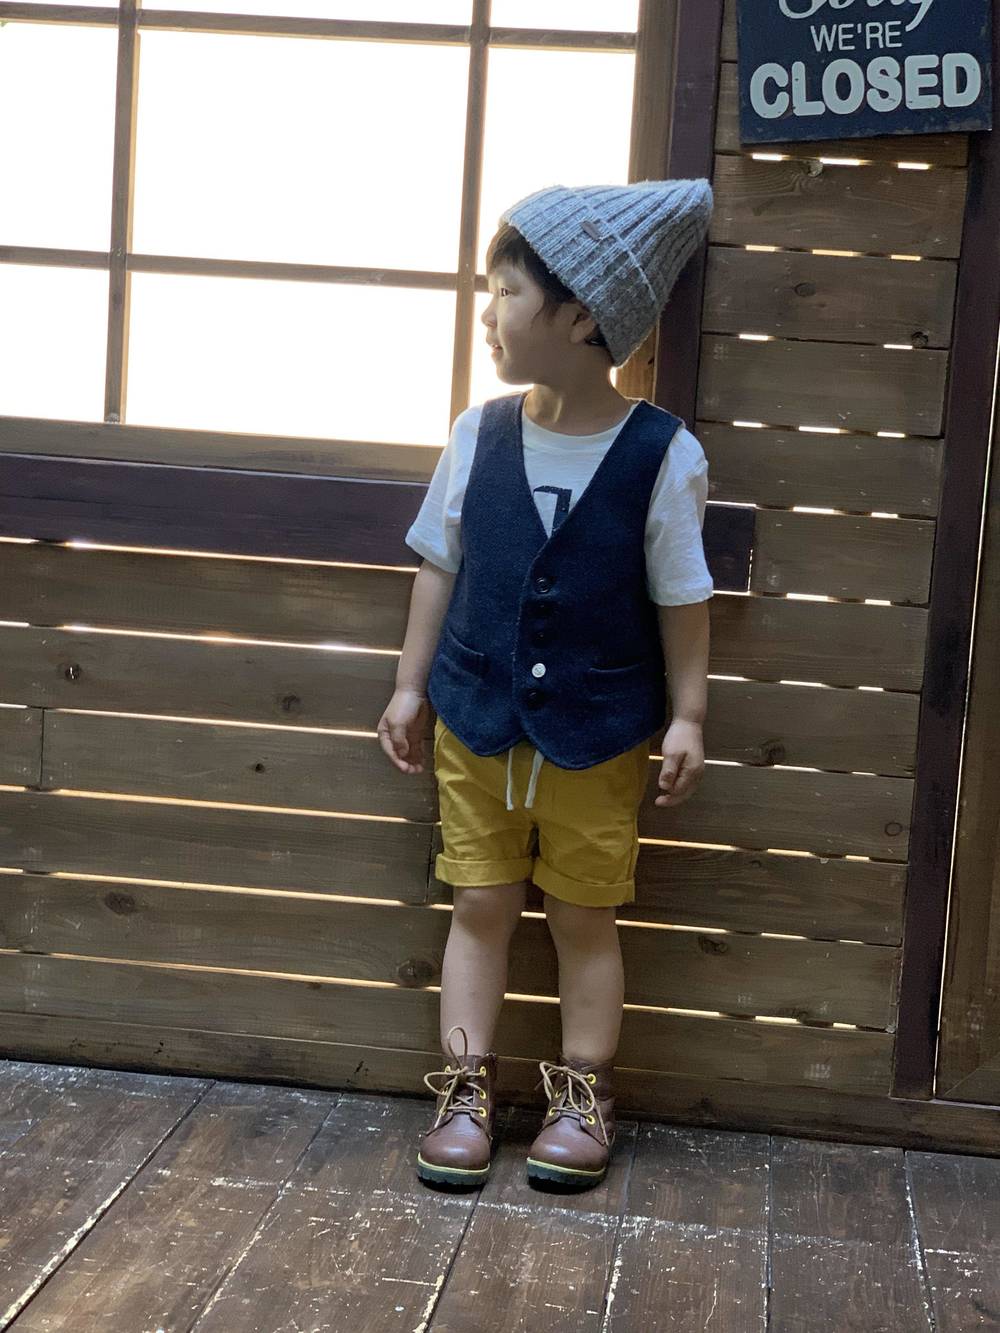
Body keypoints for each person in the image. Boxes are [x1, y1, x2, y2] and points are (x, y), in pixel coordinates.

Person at [376, 178, 715, 1192]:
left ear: (577, 315)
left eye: (505, 291)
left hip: (598, 733)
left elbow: (682, 594)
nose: (487, 312)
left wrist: (689, 714)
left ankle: (583, 1096)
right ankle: (464, 1091)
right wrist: (408, 686)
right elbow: (438, 566)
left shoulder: (663, 453)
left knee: (581, 915)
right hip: (475, 720)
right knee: (478, 901)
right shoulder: (477, 434)